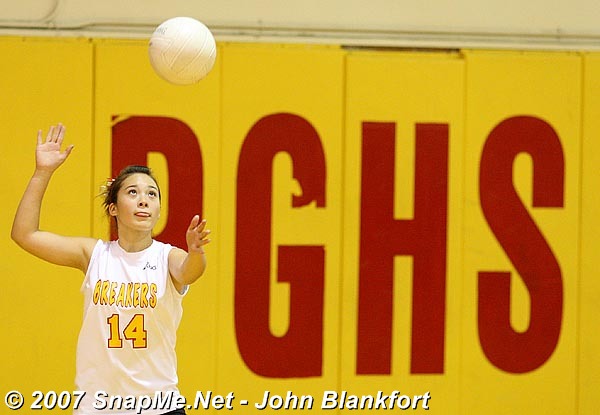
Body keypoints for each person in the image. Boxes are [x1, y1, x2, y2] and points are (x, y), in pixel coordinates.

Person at [11, 123, 210, 414]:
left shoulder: (167, 256)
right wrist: (42, 172)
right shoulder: (95, 255)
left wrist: (196, 251)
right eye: (133, 192)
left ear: (158, 210)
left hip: (159, 407)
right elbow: (25, 234)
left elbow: (189, 271)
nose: (144, 200)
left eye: (152, 194)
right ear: (113, 208)